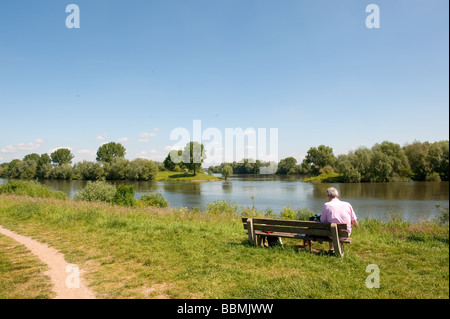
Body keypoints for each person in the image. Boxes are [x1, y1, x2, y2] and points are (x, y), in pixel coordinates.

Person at [320, 187, 358, 253]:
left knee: (330, 227)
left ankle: (331, 248)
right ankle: (338, 249)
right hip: (345, 234)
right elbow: (355, 223)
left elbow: (323, 221)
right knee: (333, 227)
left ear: (328, 196)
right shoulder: (347, 204)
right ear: (337, 196)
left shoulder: (326, 205)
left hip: (331, 235)